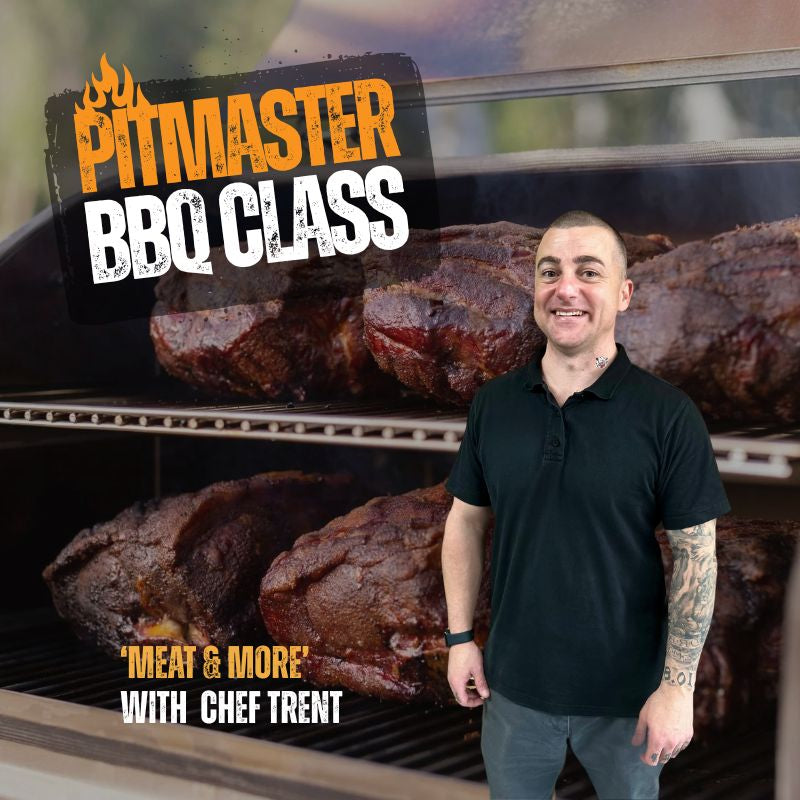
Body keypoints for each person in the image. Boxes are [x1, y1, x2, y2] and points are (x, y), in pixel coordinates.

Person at [441, 210, 731, 800]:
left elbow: (698, 555)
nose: (566, 288)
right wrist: (459, 638)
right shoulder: (493, 405)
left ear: (623, 294)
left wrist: (677, 688)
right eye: (550, 271)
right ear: (534, 290)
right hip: (513, 693)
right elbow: (465, 521)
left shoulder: (667, 414)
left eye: (588, 272)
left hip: (627, 702)